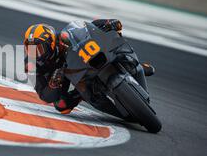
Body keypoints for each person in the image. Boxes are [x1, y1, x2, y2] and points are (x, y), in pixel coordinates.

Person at [23, 19, 155, 114]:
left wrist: (107, 24)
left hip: (83, 59)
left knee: (111, 41)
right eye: (31, 49)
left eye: (39, 49)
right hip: (66, 77)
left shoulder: (62, 37)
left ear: (51, 43)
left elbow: (88, 28)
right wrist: (53, 84)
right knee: (61, 105)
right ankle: (82, 94)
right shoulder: (32, 65)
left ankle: (136, 65)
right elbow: (45, 96)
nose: (36, 53)